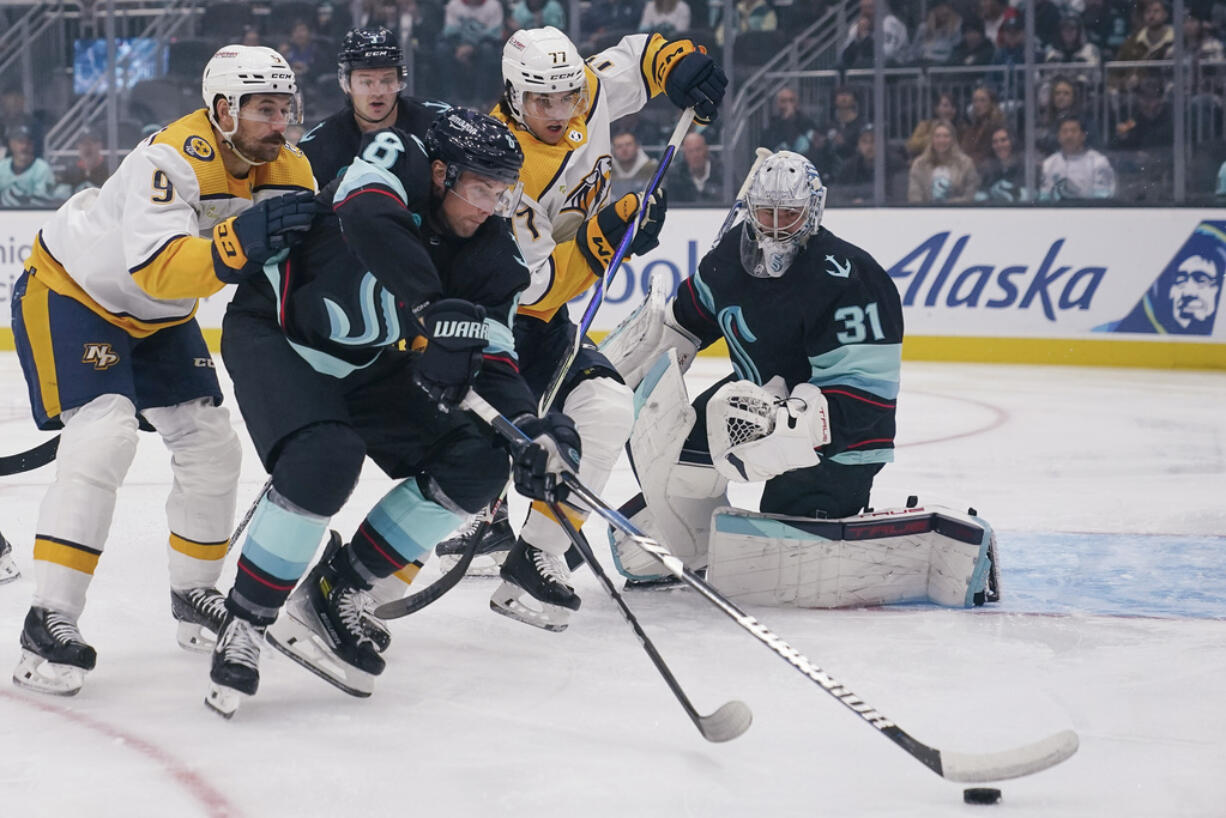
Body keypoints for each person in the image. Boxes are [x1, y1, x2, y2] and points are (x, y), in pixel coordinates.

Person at [207, 108, 581, 714]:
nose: (492, 204)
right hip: (277, 336)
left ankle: (338, 591)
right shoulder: (393, 157)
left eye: (502, 190)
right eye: (481, 187)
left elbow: (497, 357)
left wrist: (533, 428)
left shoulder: (490, 253)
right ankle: (246, 619)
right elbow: (366, 218)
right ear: (440, 172)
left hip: (365, 361)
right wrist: (432, 306)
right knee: (325, 457)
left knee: (479, 459)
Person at [9, 45, 315, 697]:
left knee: (211, 442)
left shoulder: (290, 167)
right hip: (73, 295)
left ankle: (193, 594)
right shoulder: (170, 157)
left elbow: (301, 267)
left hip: (161, 318)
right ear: (223, 109)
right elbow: (157, 266)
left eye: (286, 108)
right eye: (265, 109)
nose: (280, 122)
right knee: (105, 432)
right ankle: (49, 618)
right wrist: (240, 243)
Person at [432, 25, 727, 631]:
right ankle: (372, 569)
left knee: (608, 408)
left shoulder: (578, 90)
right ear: (514, 96)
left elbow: (640, 58)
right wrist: (605, 235)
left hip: (544, 323)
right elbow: (531, 288)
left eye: (567, 98)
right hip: (496, 323)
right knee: (476, 462)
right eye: (543, 101)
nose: (560, 112)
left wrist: (679, 65)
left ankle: (536, 555)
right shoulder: (501, 167)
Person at [600, 151, 902, 588]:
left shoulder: (849, 276)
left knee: (781, 575)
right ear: (749, 208)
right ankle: (688, 538)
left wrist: (785, 426)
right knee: (671, 434)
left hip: (840, 441)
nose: (777, 225)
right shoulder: (730, 257)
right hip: (754, 401)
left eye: (790, 214)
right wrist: (620, 374)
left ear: (813, 210)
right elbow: (685, 321)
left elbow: (865, 403)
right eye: (766, 211)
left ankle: (814, 514)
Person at [299, 26, 449, 187]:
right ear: (346, 83)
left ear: (399, 80)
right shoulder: (317, 146)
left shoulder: (441, 123)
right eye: (366, 82)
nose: (377, 92)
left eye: (387, 81)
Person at [1040, 114, 1116, 201]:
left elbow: (1102, 199)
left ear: (1083, 136)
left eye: (1074, 131)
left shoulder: (1099, 162)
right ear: (1059, 137)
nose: (1069, 136)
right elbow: (1044, 197)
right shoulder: (1049, 163)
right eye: (1064, 131)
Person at [907, 121, 979, 203]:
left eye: (946, 136)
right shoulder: (919, 164)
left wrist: (950, 205)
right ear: (931, 139)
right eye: (937, 136)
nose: (941, 140)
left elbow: (970, 195)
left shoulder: (966, 163)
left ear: (953, 139)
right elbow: (914, 197)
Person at [0, 125, 59, 207]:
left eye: (28, 143)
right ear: (11, 143)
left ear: (33, 145)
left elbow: (43, 202)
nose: (24, 147)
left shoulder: (42, 168)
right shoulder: (2, 166)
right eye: (20, 142)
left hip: (32, 216)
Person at [669, 131, 723, 204]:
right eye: (690, 151)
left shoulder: (724, 173)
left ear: (706, 150)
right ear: (685, 155)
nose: (695, 155)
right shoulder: (676, 177)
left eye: (698, 149)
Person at [905, 91, 963, 158]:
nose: (949, 109)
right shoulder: (925, 125)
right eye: (945, 105)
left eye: (953, 106)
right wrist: (932, 136)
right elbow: (911, 146)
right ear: (936, 108)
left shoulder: (961, 128)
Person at [976, 127, 1026, 202]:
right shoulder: (987, 169)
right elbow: (980, 195)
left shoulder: (1023, 166)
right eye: (995, 142)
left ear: (1012, 142)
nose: (999, 145)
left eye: (1003, 140)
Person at [960, 85, 1005, 165]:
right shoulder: (971, 129)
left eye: (982, 100)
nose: (977, 105)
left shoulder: (999, 128)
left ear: (992, 103)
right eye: (975, 101)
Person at [56, 127, 109, 194]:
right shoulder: (70, 172)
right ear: (78, 146)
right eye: (84, 143)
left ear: (100, 145)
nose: (87, 147)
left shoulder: (109, 169)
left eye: (91, 143)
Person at [610, 128, 659, 198]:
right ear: (613, 151)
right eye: (619, 146)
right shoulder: (607, 171)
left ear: (637, 146)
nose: (624, 149)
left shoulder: (652, 168)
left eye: (628, 144)